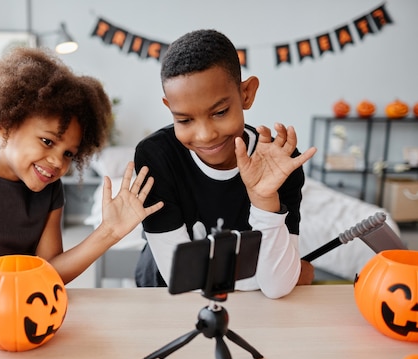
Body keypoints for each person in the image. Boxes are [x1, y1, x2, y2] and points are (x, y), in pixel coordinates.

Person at [0, 47, 163, 299]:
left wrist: (109, 233)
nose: (57, 162)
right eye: (47, 142)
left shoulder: (49, 191)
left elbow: (50, 272)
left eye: (68, 153)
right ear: (6, 125)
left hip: (12, 316)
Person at [134, 29, 316, 299]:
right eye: (184, 120)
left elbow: (277, 287)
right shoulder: (156, 157)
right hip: (163, 297)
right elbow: (179, 276)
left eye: (219, 113)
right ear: (169, 107)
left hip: (252, 312)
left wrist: (264, 199)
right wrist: (272, 274)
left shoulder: (280, 160)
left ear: (246, 93)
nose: (205, 134)